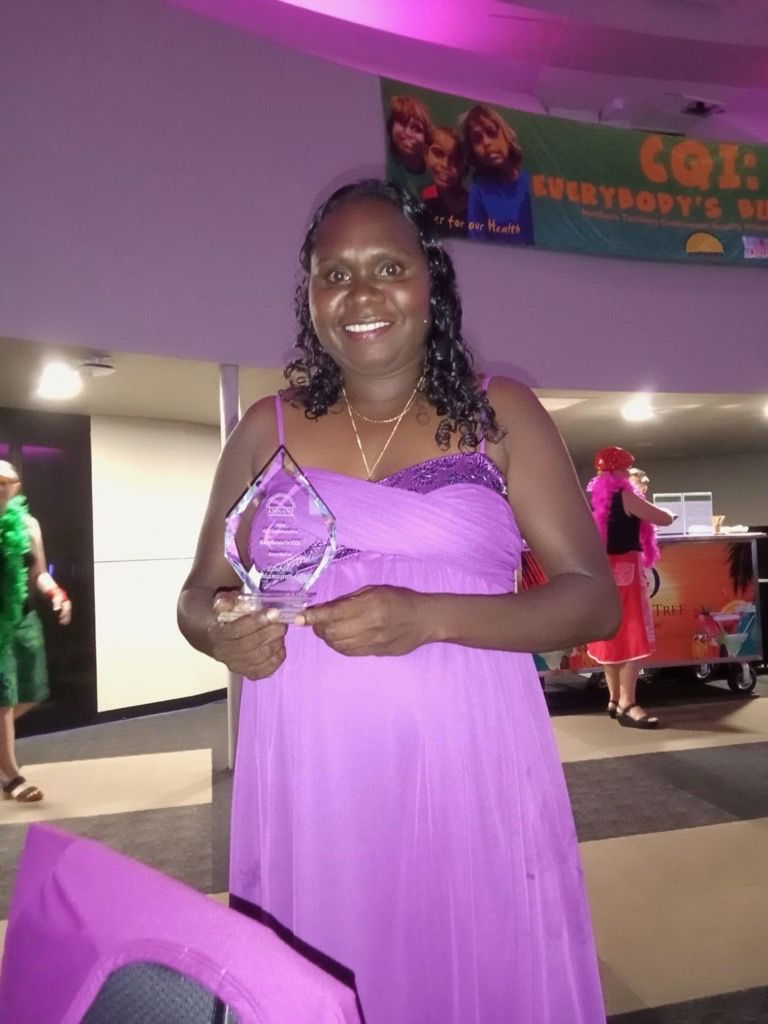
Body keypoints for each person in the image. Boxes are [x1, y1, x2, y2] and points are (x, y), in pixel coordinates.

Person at [178, 179, 619, 1024]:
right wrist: (218, 632)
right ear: (309, 295)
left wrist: (429, 616)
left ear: (432, 283)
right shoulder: (264, 428)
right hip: (309, 781)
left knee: (473, 974)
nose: (362, 294)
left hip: (470, 770)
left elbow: (592, 602)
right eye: (333, 273)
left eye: (388, 266)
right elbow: (199, 595)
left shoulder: (502, 414)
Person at [586, 447, 674, 729]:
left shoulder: (599, 497)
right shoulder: (625, 495)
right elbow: (662, 518)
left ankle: (613, 699)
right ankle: (628, 703)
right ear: (618, 471)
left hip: (605, 572)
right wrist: (670, 512)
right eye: (625, 469)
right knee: (632, 636)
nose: (628, 474)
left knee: (612, 633)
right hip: (627, 570)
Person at [0, 460, 71, 802]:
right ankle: (11, 776)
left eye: (7, 480)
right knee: (3, 697)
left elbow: (39, 572)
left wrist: (57, 594)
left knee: (31, 691)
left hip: (24, 619)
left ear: (16, 487)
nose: (1, 485)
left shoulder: (28, 525)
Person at [461, 103, 534, 245]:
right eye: (477, 139)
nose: (486, 143)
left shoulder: (531, 182)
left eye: (491, 132)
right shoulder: (479, 190)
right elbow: (477, 244)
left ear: (506, 135)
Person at [420, 125, 469, 236]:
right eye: (438, 153)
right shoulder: (421, 197)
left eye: (455, 159)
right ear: (426, 154)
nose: (445, 164)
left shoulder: (474, 205)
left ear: (464, 166)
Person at [385, 95, 434, 195]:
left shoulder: (433, 175)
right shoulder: (382, 162)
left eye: (416, 129)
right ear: (391, 127)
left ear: (426, 138)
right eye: (402, 123)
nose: (407, 133)